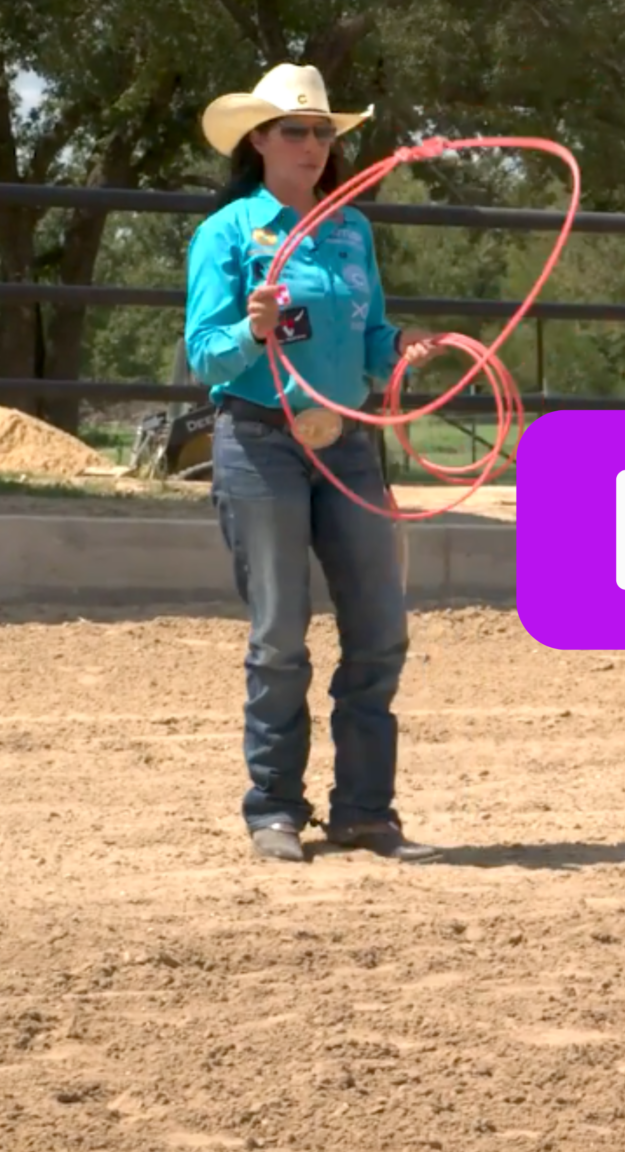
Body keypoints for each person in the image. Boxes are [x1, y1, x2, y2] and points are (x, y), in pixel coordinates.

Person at [184, 62, 443, 864]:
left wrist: (398, 347)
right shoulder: (226, 235)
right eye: (295, 131)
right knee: (279, 636)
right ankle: (274, 806)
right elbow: (205, 355)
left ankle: (365, 809)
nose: (311, 144)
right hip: (261, 438)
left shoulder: (349, 232)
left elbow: (365, 336)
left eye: (322, 132)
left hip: (348, 442)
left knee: (378, 627)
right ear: (259, 140)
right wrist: (250, 333)